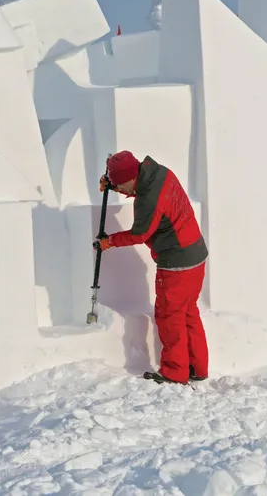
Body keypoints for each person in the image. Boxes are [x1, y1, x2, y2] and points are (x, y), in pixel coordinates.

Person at [94, 151, 210, 384]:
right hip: (196, 254)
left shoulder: (147, 200)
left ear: (130, 177)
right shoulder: (161, 173)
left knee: (170, 316)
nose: (122, 190)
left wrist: (109, 242)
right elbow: (140, 188)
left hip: (176, 263)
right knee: (188, 312)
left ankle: (175, 372)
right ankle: (198, 367)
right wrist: (114, 186)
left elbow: (140, 234)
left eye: (121, 185)